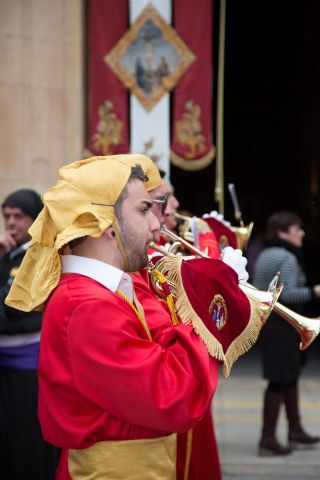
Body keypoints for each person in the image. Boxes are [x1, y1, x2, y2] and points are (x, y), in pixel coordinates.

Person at [6, 155, 253, 479]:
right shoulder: (88, 305)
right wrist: (211, 303)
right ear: (105, 224)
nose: (156, 224)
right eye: (142, 210)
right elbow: (175, 396)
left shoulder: (103, 291)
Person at [0, 189, 59, 479]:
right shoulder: (6, 253)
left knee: (26, 443)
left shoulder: (39, 258)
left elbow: (15, 309)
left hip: (27, 371)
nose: (11, 223)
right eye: (6, 216)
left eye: (18, 216)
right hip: (5, 368)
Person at [253, 210, 320, 456]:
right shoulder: (288, 258)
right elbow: (288, 294)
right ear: (283, 233)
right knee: (279, 381)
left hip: (272, 325)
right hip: (284, 327)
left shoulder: (266, 253)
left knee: (287, 378)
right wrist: (314, 291)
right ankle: (267, 438)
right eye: (297, 229)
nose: (301, 233)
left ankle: (295, 430)